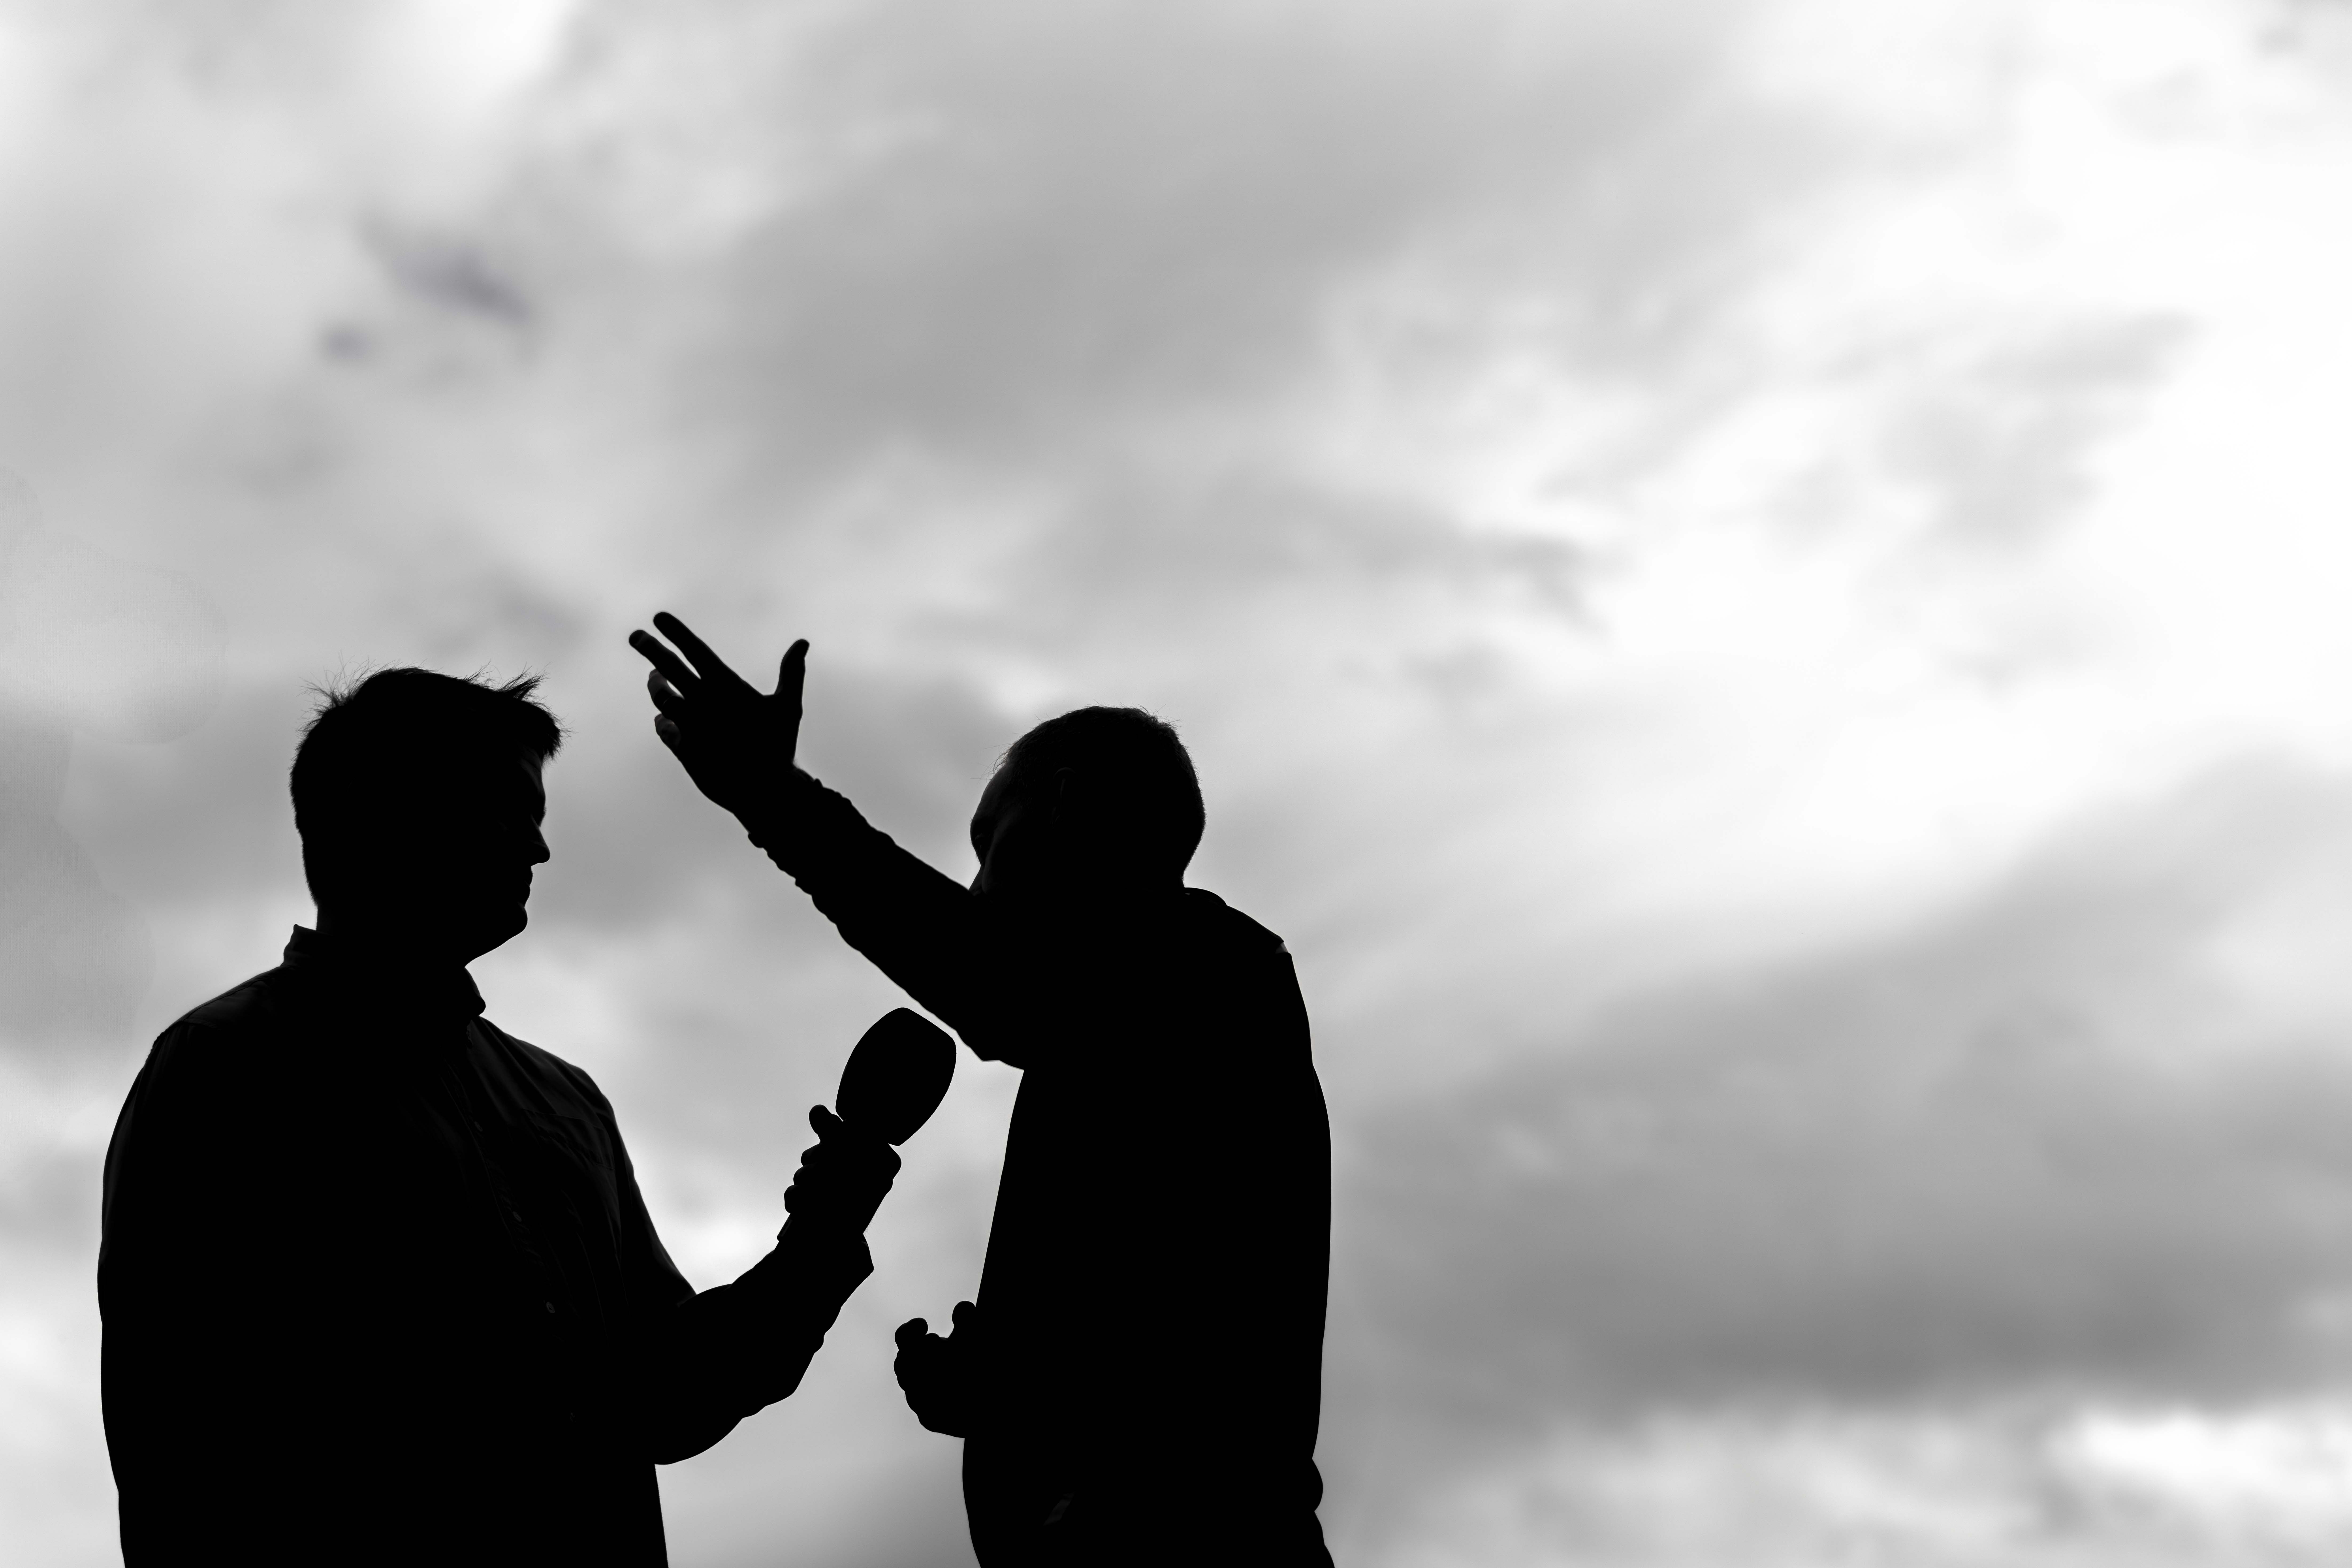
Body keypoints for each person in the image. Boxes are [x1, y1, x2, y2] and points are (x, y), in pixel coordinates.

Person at [98, 668, 899, 1566]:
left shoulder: (567, 1099)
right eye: (516, 810)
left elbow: (665, 1398)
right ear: (401, 814)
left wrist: (822, 1239)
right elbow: (174, 1433)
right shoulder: (226, 1066)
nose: (540, 850)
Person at [629, 614, 1334, 1566]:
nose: (976, 887)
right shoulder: (1127, 1028)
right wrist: (1005, 1389)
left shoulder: (1213, 972)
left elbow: (992, 985)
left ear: (1070, 805)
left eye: (987, 843)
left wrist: (771, 795)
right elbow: (1163, 1347)